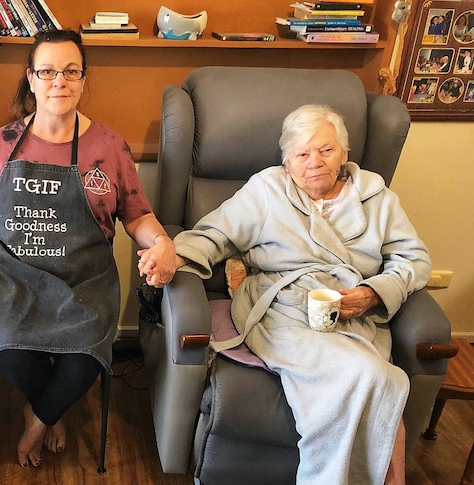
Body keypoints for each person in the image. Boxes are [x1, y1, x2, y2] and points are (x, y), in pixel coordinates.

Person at [0, 29, 177, 468]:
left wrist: (162, 243)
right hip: (13, 278)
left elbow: (137, 215)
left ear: (83, 79)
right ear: (30, 78)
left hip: (86, 280)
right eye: (47, 71)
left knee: (86, 360)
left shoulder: (109, 147)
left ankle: (38, 417)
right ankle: (49, 409)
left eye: (70, 71)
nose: (58, 81)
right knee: (9, 354)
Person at [156, 104, 430, 484]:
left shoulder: (378, 198)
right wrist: (172, 255)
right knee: (377, 376)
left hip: (354, 314)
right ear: (287, 161)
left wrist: (373, 292)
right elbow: (213, 235)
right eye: (302, 153)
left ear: (345, 153)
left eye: (326, 150)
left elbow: (413, 260)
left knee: (384, 380)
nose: (314, 162)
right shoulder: (268, 189)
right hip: (283, 309)